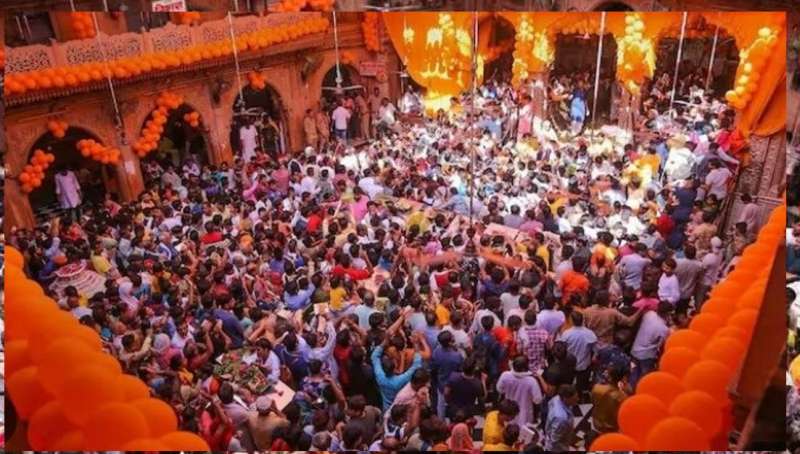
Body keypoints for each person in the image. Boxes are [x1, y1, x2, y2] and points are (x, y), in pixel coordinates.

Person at [630, 301, 673, 387]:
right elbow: (661, 344)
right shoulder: (664, 329)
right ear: (667, 314)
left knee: (633, 374)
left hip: (635, 350)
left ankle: (630, 389)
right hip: (647, 356)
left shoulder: (649, 314)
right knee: (644, 378)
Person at [496, 356, 544, 428]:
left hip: (508, 413)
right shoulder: (531, 381)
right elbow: (538, 400)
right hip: (525, 415)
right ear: (525, 368)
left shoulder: (505, 375)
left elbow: (499, 389)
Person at [590, 364, 631, 434]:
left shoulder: (597, 388)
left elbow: (593, 402)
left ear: (610, 377)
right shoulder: (623, 397)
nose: (605, 373)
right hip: (612, 427)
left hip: (596, 422)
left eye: (607, 373)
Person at [544, 384, 578, 451]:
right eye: (574, 399)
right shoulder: (561, 418)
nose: (577, 399)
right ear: (565, 399)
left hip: (554, 433)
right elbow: (555, 440)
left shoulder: (556, 398)